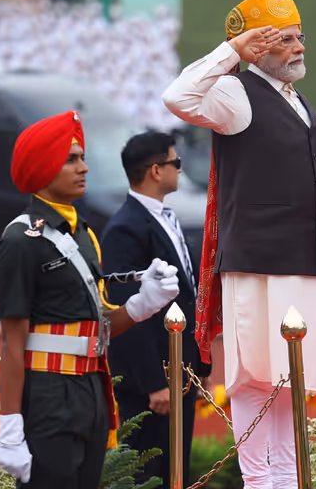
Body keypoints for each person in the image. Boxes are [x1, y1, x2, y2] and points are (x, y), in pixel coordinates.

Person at [163, 0, 316, 489]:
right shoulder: (237, 93)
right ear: (258, 48)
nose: (298, 47)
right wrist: (231, 52)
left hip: (310, 262)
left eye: (299, 37)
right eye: (284, 39)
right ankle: (258, 481)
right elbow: (177, 96)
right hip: (260, 262)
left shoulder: (298, 99)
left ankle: (285, 479)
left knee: (293, 380)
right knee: (255, 378)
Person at [0, 110, 181, 488]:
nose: (84, 168)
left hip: (92, 387)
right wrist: (9, 425)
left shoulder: (84, 236)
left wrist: (144, 303)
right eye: (71, 160)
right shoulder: (19, 241)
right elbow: (12, 342)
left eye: (83, 158)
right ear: (44, 168)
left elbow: (100, 322)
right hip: (47, 391)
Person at [102, 131, 210, 486]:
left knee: (176, 469)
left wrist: (200, 362)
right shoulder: (124, 230)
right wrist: (153, 382)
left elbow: (188, 294)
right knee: (148, 473)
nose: (180, 169)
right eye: (174, 162)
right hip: (153, 381)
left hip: (181, 367)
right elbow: (125, 311)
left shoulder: (166, 216)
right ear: (154, 170)